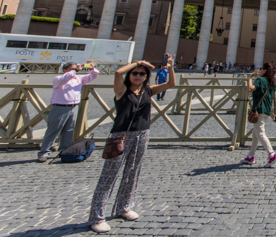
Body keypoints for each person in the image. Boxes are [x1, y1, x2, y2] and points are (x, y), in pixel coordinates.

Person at [89, 55, 176, 233]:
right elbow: (118, 72)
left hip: (142, 135)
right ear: (129, 75)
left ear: (146, 77)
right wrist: (139, 63)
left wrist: (171, 68)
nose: (138, 76)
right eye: (134, 73)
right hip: (121, 135)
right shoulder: (121, 91)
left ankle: (124, 207)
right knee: (108, 176)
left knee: (132, 172)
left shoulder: (148, 91)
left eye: (142, 74)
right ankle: (97, 217)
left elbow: (170, 85)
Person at [37, 61, 99, 163]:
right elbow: (65, 78)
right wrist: (76, 70)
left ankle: (64, 151)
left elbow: (94, 75)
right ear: (64, 70)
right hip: (59, 107)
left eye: (75, 69)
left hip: (73, 107)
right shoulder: (58, 79)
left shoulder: (78, 79)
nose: (74, 71)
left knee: (69, 131)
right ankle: (44, 152)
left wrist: (92, 68)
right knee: (53, 130)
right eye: (72, 69)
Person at [240, 62, 276, 167]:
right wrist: (275, 113)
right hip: (267, 111)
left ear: (265, 70)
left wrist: (250, 77)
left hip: (259, 110)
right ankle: (250, 156)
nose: (260, 70)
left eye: (261, 69)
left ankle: (272, 154)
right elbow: (275, 99)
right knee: (255, 134)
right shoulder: (272, 82)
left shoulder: (260, 80)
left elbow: (249, 89)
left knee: (260, 134)